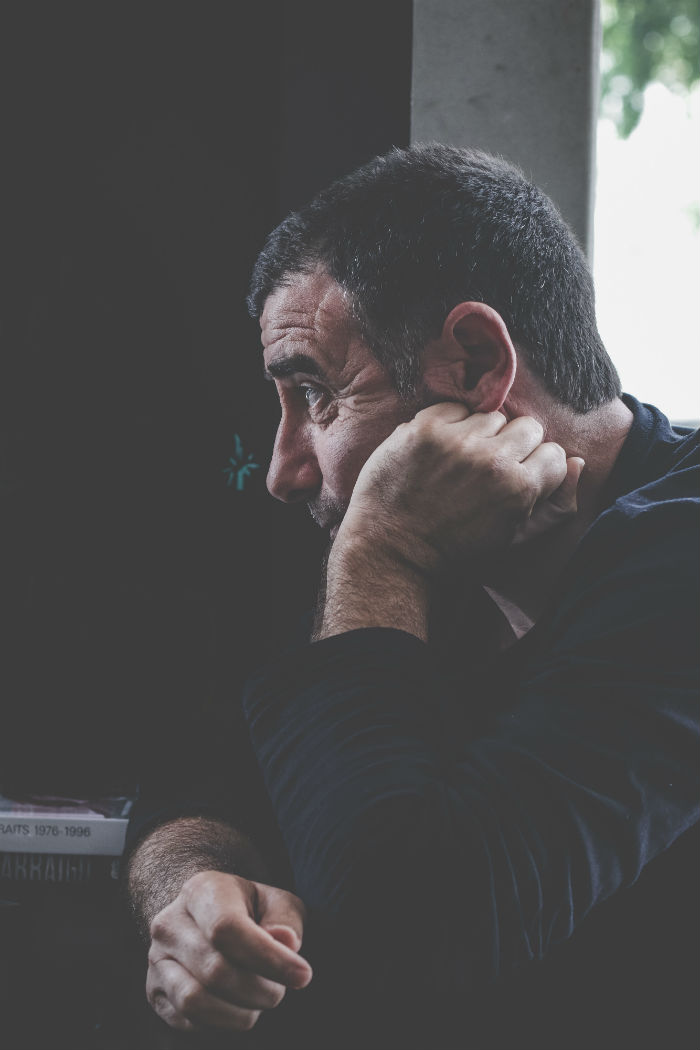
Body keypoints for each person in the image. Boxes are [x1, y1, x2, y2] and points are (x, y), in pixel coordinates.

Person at [126, 145, 699, 1050]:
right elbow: (201, 781)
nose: (283, 471)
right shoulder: (433, 547)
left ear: (477, 363)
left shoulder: (677, 557)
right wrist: (190, 888)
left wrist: (383, 551)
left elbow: (412, 935)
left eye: (313, 393)